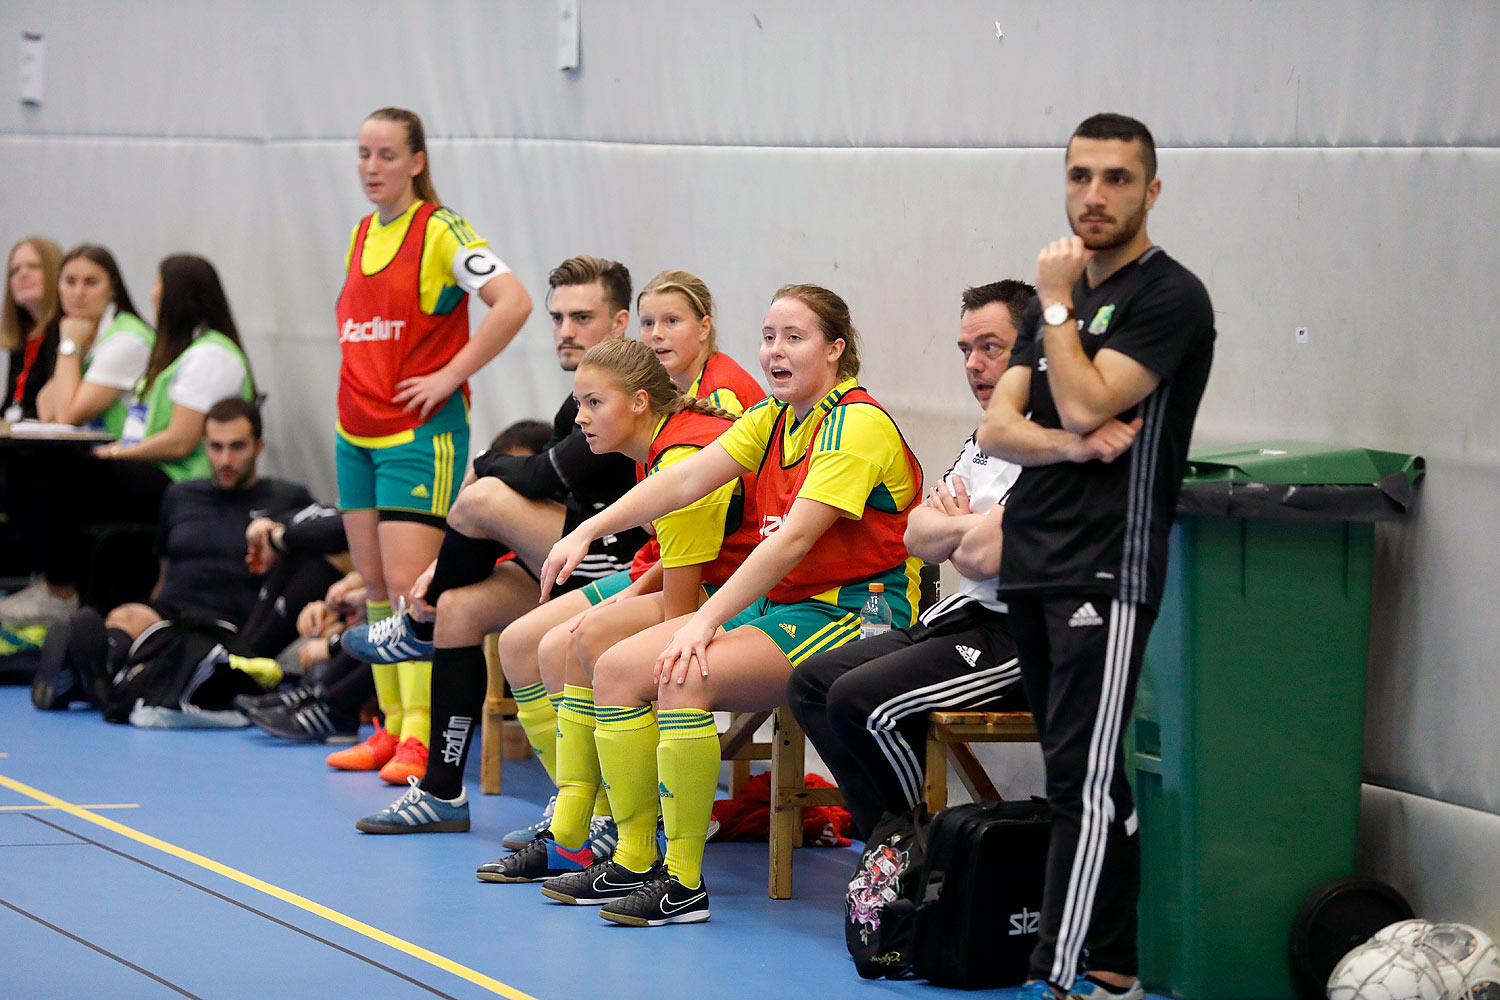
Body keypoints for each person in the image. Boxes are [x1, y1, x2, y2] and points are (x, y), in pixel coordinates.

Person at [536, 284, 923, 926]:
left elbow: (795, 537)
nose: (775, 350)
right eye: (768, 336)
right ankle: (633, 860)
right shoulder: (772, 417)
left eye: (794, 337)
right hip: (783, 605)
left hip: (854, 615)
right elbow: (684, 479)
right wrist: (584, 530)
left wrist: (705, 621)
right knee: (615, 669)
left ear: (835, 349)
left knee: (679, 674)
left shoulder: (855, 423)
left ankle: (684, 883)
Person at [976, 114, 1216, 1000]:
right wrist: (1072, 447)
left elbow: (1081, 402)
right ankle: (1114, 960)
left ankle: (1060, 976)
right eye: (1080, 177)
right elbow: (1000, 428)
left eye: (1116, 179)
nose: (1094, 195)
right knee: (1086, 775)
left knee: (1078, 777)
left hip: (1106, 566)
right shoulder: (1067, 300)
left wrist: (1056, 312)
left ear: (1151, 191)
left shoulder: (1167, 297)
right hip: (1033, 558)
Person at [460, 268, 765, 847]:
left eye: (593, 403)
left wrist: (615, 597)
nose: (578, 420)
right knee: (524, 643)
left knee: (589, 643)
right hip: (669, 564)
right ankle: (588, 811)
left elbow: (687, 594)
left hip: (731, 586)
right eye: (649, 322)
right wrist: (627, 591)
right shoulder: (658, 438)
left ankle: (628, 828)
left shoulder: (689, 441)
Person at [338, 256, 648, 820]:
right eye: (556, 319)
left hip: (625, 566)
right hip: (571, 554)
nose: (565, 331)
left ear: (621, 322)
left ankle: (414, 623)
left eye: (582, 317)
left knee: (482, 497)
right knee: (458, 607)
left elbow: (545, 477)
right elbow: (555, 492)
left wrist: (483, 462)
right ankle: (440, 792)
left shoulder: (630, 390)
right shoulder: (578, 394)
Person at [786, 279, 1034, 837]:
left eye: (990, 347)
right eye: (965, 350)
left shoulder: (1058, 438)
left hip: (1019, 638)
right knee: (811, 684)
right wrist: (965, 530)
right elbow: (917, 536)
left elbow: (984, 555)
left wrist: (960, 528)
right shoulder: (988, 434)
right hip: (954, 621)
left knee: (860, 700)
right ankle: (891, 845)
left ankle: (910, 850)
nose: (974, 364)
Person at [333, 106, 532, 785]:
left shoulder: (441, 230)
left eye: (386, 154)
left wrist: (451, 373)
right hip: (353, 430)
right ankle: (390, 727)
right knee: (373, 584)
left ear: (417, 160)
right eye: (363, 154)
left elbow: (513, 300)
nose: (371, 167)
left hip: (417, 434)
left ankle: (421, 738)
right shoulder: (363, 232)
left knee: (413, 586)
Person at [0, 253, 254, 625]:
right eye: (69, 282)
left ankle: (60, 593)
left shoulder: (209, 354)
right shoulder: (178, 352)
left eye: (158, 286)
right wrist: (72, 346)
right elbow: (49, 408)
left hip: (181, 480)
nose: (152, 295)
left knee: (45, 476)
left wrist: (121, 452)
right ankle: (55, 586)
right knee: (25, 468)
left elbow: (181, 441)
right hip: (152, 467)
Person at [92, 397, 314, 697]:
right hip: (172, 614)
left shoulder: (288, 499)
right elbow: (164, 573)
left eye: (237, 447)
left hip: (231, 628)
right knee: (123, 618)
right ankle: (99, 683)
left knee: (186, 656)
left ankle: (119, 687)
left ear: (258, 447)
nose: (225, 460)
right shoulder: (179, 495)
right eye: (216, 447)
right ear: (204, 445)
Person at [36, 244, 154, 435]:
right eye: (70, 281)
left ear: (112, 289)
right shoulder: (82, 332)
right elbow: (47, 410)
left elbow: (66, 417)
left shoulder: (128, 339)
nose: (78, 292)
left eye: (90, 282)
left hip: (127, 459)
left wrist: (70, 347)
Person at [1, 235, 62, 421]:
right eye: (14, 270)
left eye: (34, 266)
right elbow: (11, 403)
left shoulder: (63, 330)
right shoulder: (23, 334)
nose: (22, 274)